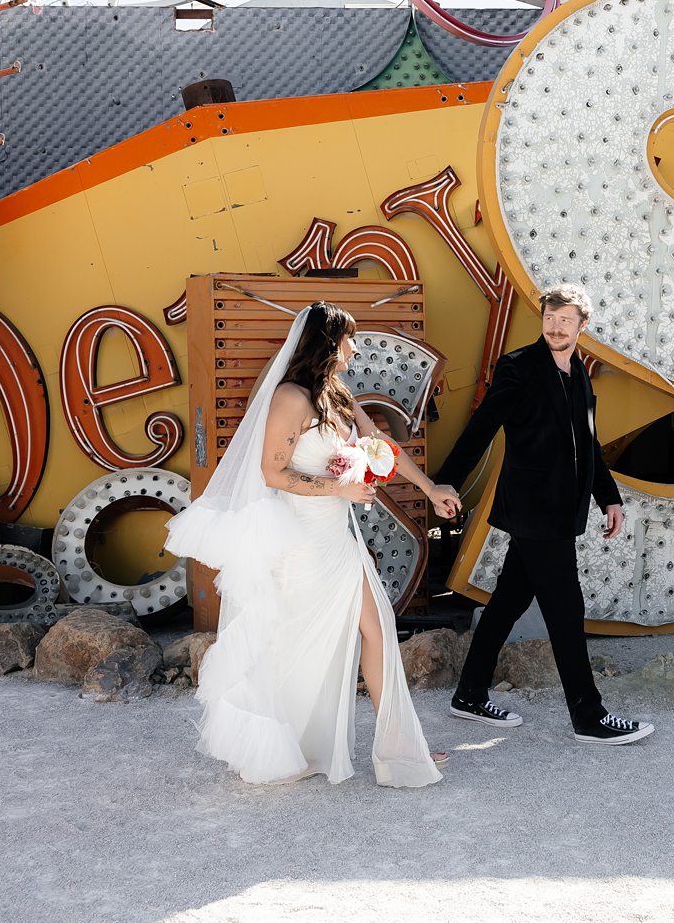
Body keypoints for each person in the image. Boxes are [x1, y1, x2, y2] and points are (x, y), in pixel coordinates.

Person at [164, 301, 462, 786]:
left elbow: (379, 446)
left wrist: (431, 490)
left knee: (378, 627)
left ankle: (401, 749)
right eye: (348, 338)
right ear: (326, 342)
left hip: (336, 536)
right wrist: (337, 487)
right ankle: (287, 747)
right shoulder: (291, 398)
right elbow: (272, 472)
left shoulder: (335, 394)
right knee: (297, 644)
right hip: (300, 540)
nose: (354, 346)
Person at [432, 283, 655, 744]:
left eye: (565, 321)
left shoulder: (579, 373)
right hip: (534, 511)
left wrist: (608, 497)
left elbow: (588, 443)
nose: (555, 327)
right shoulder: (519, 367)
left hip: (561, 511)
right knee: (566, 611)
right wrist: (445, 480)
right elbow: (482, 427)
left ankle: (469, 694)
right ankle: (589, 717)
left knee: (509, 601)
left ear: (581, 326)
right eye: (550, 318)